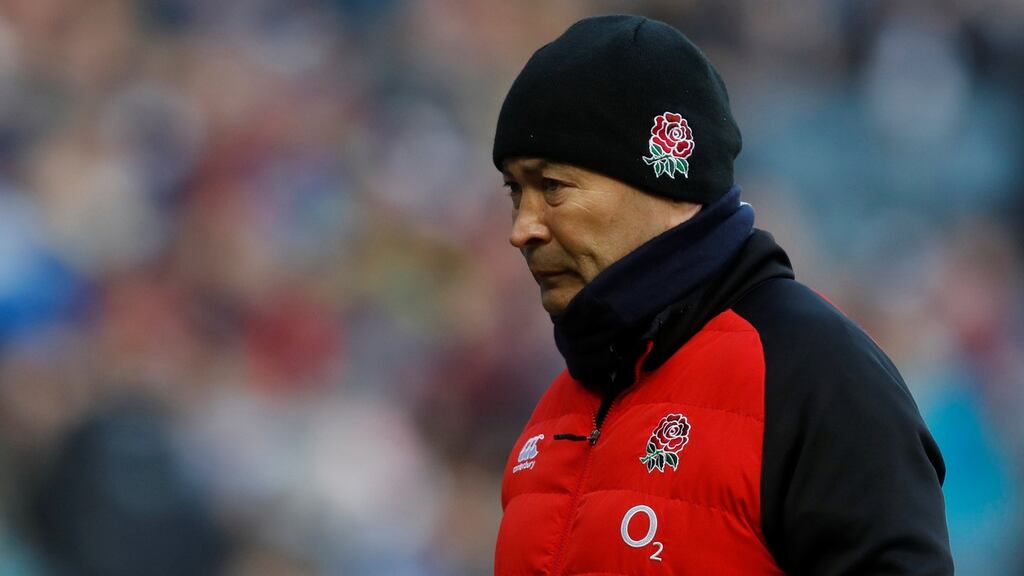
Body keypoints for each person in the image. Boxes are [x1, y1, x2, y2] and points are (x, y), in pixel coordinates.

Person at [491, 14, 953, 575]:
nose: (523, 228)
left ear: (665, 185)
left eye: (553, 187)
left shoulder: (818, 376)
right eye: (515, 191)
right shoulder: (552, 411)